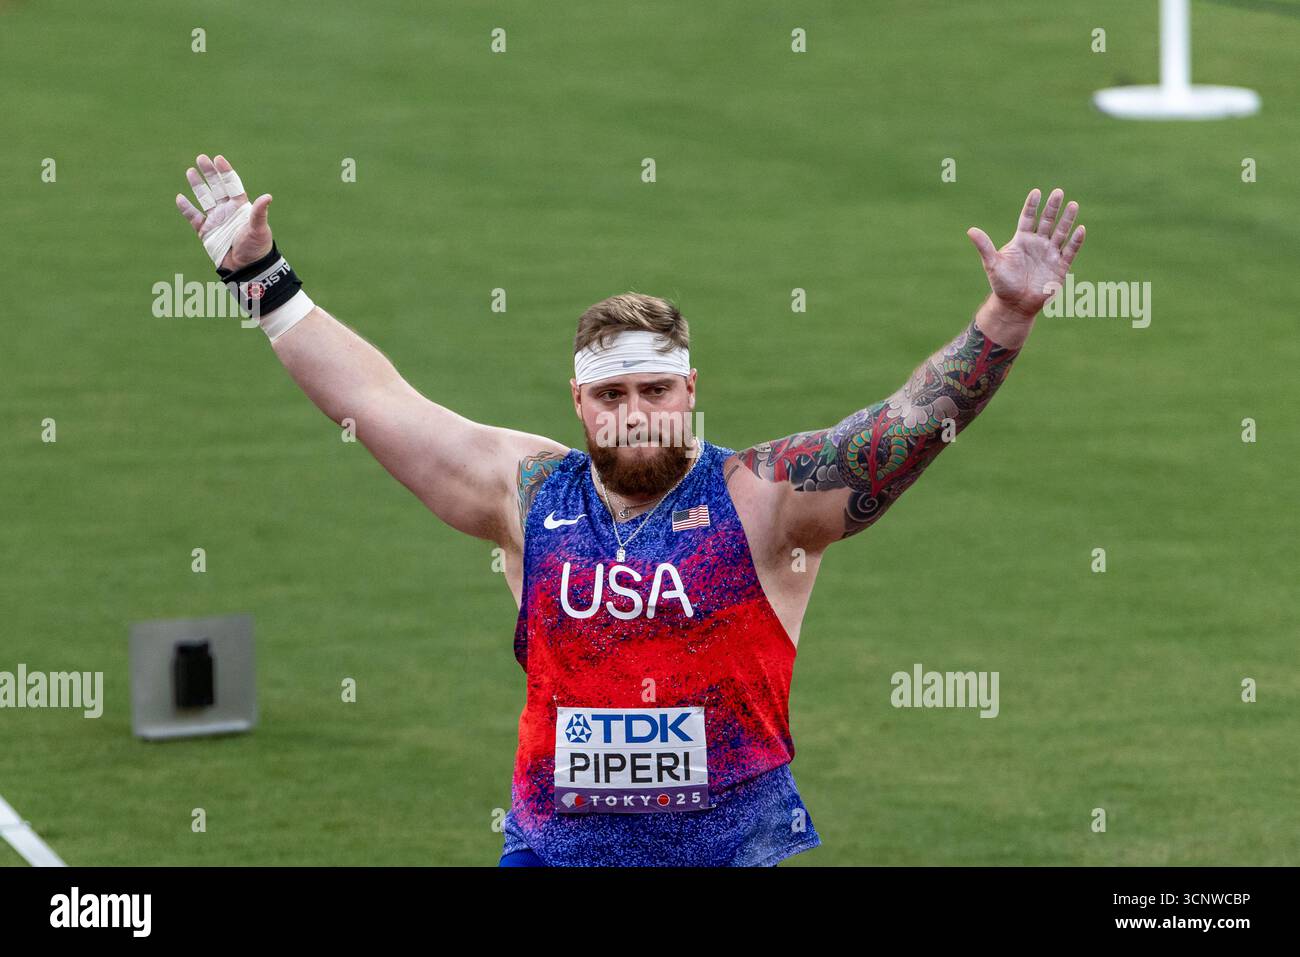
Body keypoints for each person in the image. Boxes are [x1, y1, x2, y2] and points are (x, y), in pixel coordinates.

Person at [176, 154, 1085, 866]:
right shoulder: (527, 493)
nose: (636, 410)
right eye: (613, 395)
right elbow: (373, 401)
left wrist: (1004, 318)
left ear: (690, 389)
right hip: (547, 855)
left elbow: (899, 431)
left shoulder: (761, 501)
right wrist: (261, 276)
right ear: (580, 402)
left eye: (656, 386)